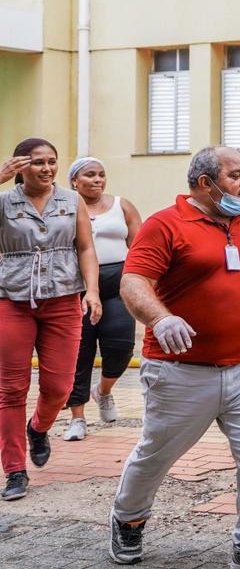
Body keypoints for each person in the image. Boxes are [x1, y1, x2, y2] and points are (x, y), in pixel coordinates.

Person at [109, 146, 240, 569]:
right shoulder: (164, 224)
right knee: (157, 453)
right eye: (235, 175)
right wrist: (161, 318)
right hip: (181, 371)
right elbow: (133, 282)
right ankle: (128, 518)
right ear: (205, 182)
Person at [0, 139, 101, 502]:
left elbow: (85, 247)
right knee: (11, 389)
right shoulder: (5, 201)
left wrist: (92, 291)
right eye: (38, 162)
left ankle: (38, 427)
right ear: (20, 166)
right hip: (12, 299)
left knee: (59, 387)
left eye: (52, 161)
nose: (46, 168)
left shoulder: (71, 200)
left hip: (62, 300)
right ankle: (14, 469)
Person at [64, 157, 142, 442]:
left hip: (117, 285)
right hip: (78, 287)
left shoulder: (122, 205)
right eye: (90, 175)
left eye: (101, 174)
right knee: (79, 352)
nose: (97, 179)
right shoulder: (64, 208)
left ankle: (103, 391)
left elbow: (140, 247)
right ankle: (77, 418)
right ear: (75, 181)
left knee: (121, 347)